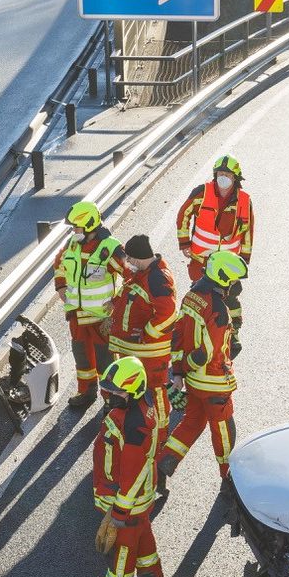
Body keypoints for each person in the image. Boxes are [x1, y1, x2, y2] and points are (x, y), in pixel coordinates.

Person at [157, 250, 247, 489]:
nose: (236, 285)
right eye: (234, 280)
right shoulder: (218, 310)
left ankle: (165, 462)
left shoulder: (191, 295)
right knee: (223, 432)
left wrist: (178, 372)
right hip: (214, 384)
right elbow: (206, 353)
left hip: (194, 383)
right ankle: (228, 478)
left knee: (192, 423)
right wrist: (187, 367)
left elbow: (178, 334)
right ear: (224, 278)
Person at [87, 357, 164, 577]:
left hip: (126, 501)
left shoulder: (134, 425)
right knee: (142, 532)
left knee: (122, 551)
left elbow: (131, 473)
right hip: (139, 499)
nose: (110, 396)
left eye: (117, 391)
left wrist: (119, 511)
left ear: (132, 391)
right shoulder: (142, 405)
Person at [175, 155, 253, 356]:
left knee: (231, 299)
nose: (223, 177)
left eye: (227, 174)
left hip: (228, 266)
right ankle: (198, 334)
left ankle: (233, 332)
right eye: (220, 173)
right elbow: (183, 214)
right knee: (200, 298)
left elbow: (247, 232)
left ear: (235, 178)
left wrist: (244, 260)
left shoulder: (244, 201)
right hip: (202, 261)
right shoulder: (202, 193)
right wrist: (184, 242)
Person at [52, 200, 125, 409]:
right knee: (82, 358)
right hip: (77, 316)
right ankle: (86, 391)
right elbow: (59, 263)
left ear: (89, 225)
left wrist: (117, 302)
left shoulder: (110, 248)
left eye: (76, 226)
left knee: (106, 361)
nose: (73, 230)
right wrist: (60, 286)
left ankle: (111, 398)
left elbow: (132, 276)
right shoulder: (73, 243)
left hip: (101, 318)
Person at [108, 234, 177, 444]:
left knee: (156, 392)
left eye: (129, 259)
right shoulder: (146, 273)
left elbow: (167, 313)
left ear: (137, 259)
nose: (128, 264)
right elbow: (133, 292)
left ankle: (162, 435)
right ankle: (141, 428)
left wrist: (147, 335)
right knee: (138, 391)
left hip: (150, 353)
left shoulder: (158, 278)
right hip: (136, 351)